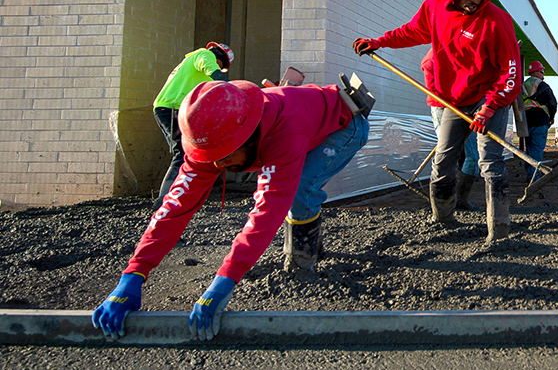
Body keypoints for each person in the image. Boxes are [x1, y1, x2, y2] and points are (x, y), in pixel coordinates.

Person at [92, 78, 371, 341]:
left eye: (224, 156)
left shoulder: (285, 132)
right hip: (311, 121)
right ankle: (311, 246)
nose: (215, 166)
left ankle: (302, 264)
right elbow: (173, 208)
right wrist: (133, 274)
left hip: (346, 124)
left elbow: (267, 210)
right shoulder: (213, 134)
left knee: (300, 191)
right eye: (209, 158)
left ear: (248, 137)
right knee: (296, 192)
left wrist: (224, 281)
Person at [353, 0, 521, 243]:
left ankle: (499, 231)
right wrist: (380, 41)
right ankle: (443, 218)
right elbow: (412, 31)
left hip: (489, 96)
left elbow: (510, 74)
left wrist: (489, 108)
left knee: (490, 161)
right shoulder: (434, 8)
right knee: (443, 158)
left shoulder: (498, 22)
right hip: (453, 100)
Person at [152, 42, 232, 204]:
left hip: (173, 108)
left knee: (187, 152)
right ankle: (165, 199)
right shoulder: (204, 55)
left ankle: (178, 196)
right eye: (221, 66)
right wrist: (227, 84)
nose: (219, 68)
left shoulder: (190, 64)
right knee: (182, 152)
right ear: (219, 59)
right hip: (172, 108)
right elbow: (210, 68)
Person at [422, 49, 480, 212]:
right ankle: (441, 206)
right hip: (443, 108)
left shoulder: (461, 50)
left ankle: (460, 200)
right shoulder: (432, 59)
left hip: (465, 108)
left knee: (473, 157)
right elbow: (437, 91)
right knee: (447, 157)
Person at [519, 61, 558, 179]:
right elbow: (552, 103)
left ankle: (530, 173)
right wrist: (551, 117)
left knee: (529, 148)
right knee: (537, 148)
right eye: (541, 72)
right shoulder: (543, 85)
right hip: (540, 120)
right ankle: (534, 177)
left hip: (526, 121)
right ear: (535, 72)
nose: (543, 75)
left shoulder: (522, 86)